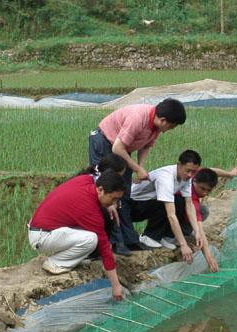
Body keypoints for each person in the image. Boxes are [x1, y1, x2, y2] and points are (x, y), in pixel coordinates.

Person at [88, 98, 186, 255]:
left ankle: (130, 240)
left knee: (123, 195)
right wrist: (136, 168)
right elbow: (117, 147)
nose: (170, 129)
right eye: (172, 126)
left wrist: (140, 167)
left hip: (122, 149)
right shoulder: (138, 118)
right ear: (163, 120)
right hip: (104, 142)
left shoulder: (156, 127)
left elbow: (146, 146)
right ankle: (114, 243)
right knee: (108, 193)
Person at [28, 169, 126, 300]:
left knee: (91, 233)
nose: (114, 203)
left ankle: (64, 258)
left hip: (42, 228)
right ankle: (56, 263)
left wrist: (109, 204)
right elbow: (104, 248)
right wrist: (116, 286)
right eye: (113, 199)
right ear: (101, 190)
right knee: (91, 239)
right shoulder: (89, 209)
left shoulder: (85, 180)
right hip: (42, 237)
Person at [129, 149, 203, 264]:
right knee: (168, 202)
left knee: (180, 201)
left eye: (193, 172)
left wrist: (197, 231)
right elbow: (171, 215)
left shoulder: (185, 178)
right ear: (179, 165)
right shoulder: (166, 177)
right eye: (188, 171)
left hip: (150, 203)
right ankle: (149, 237)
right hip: (133, 205)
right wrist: (183, 244)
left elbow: (189, 205)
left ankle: (165, 237)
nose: (190, 175)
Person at [186, 166, 237, 272]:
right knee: (197, 214)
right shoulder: (191, 197)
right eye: (202, 188)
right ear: (195, 181)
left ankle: (185, 230)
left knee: (203, 211)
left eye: (208, 191)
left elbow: (212, 171)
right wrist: (209, 258)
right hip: (162, 206)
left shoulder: (198, 174)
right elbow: (200, 229)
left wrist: (230, 174)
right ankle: (174, 235)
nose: (204, 193)